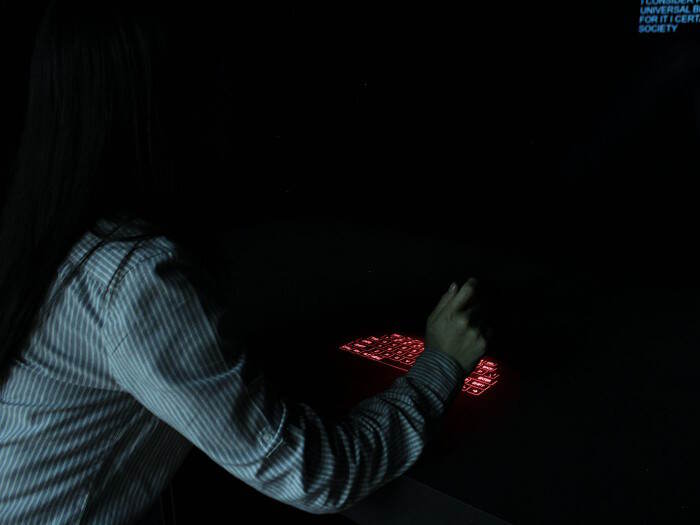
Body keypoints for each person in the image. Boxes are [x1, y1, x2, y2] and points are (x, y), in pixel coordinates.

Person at [0, 1, 487, 523]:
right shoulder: (136, 280)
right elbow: (314, 475)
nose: (229, 101)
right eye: (211, 78)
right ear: (162, 104)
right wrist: (441, 363)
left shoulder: (45, 229)